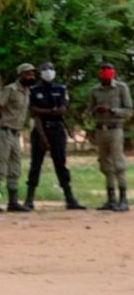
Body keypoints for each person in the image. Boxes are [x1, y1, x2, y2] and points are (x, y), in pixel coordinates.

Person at [24, 62, 85, 210]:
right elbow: (33, 113)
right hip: (40, 130)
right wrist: (51, 112)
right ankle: (29, 200)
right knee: (35, 165)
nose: (48, 72)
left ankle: (70, 199)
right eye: (45, 69)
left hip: (57, 130)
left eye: (51, 69)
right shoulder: (33, 90)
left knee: (61, 164)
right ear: (40, 73)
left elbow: (62, 110)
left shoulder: (61, 88)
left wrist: (43, 111)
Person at [0, 63, 37, 213]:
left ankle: (13, 201)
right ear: (20, 75)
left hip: (16, 133)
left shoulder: (27, 92)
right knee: (0, 166)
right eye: (28, 74)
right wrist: (2, 122)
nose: (31, 77)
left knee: (15, 167)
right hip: (4, 132)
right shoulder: (10, 89)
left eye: (33, 74)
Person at [89, 63, 132, 212]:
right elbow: (89, 111)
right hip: (100, 130)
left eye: (107, 75)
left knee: (118, 163)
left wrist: (112, 110)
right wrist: (96, 110)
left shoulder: (121, 88)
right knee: (104, 164)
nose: (105, 79)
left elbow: (129, 111)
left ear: (112, 75)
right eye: (103, 75)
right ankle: (111, 198)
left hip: (115, 129)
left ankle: (123, 199)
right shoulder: (94, 90)